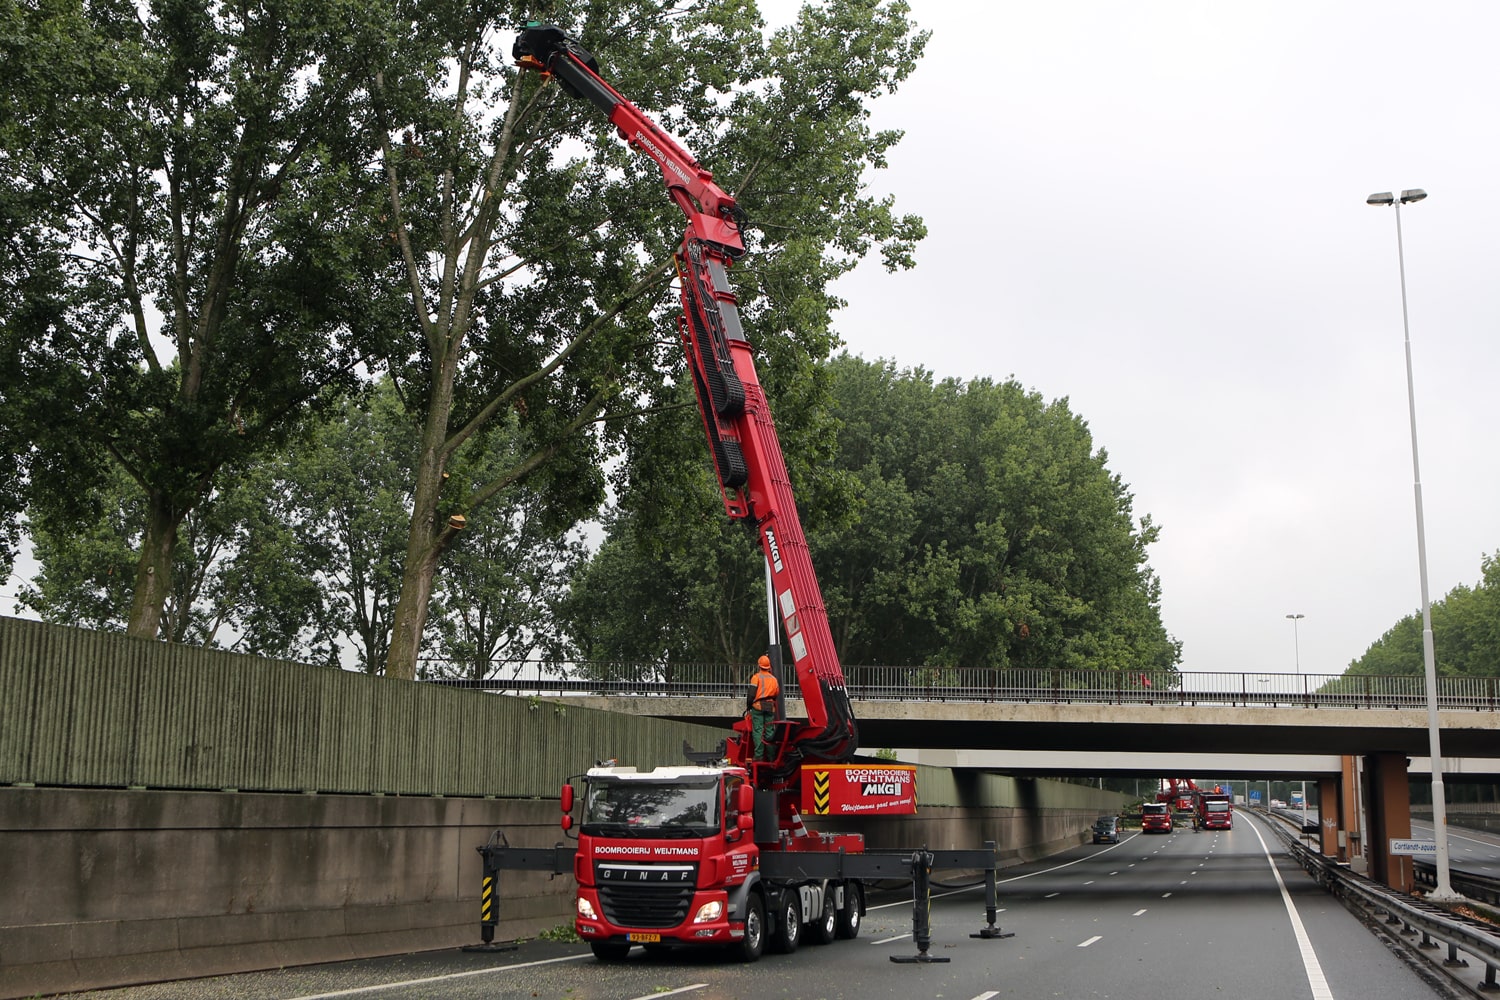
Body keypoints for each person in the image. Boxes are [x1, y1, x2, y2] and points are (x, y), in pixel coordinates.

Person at [747, 654, 780, 761]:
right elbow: (776, 694)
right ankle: (771, 757)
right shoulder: (774, 679)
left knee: (758, 731)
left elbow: (751, 694)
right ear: (769, 666)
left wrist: (748, 706)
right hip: (770, 707)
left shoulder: (756, 677)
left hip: (758, 707)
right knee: (769, 731)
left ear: (759, 666)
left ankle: (759, 756)